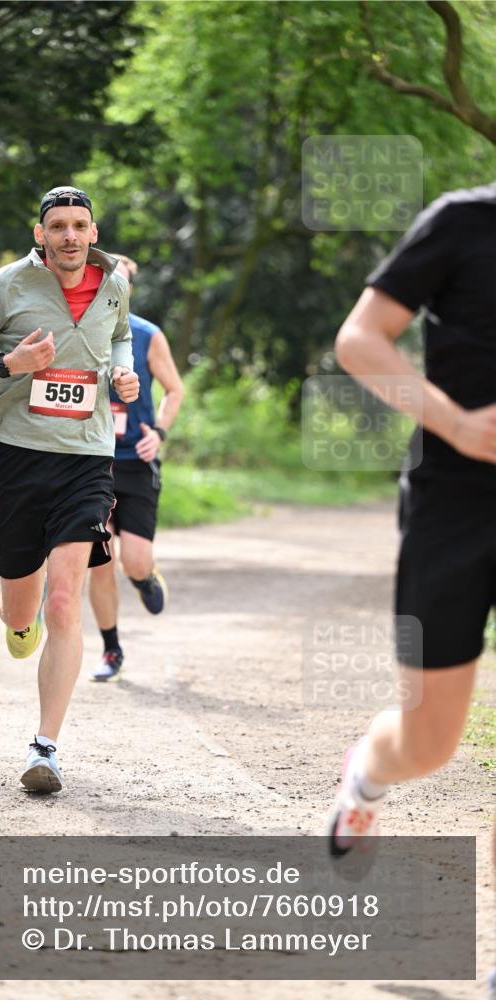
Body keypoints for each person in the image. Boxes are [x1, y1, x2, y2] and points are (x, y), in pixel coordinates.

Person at [0, 186, 139, 793]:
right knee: (23, 611)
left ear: (93, 232)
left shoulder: (114, 284)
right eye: (58, 226)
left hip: (88, 456)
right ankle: (15, 619)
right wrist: (7, 366)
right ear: (41, 234)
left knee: (64, 600)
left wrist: (123, 371)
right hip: (18, 456)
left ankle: (45, 749)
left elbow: (121, 334)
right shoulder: (8, 285)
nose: (69, 236)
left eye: (79, 225)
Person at [327, 183, 496, 869]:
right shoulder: (463, 221)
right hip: (453, 504)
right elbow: (359, 340)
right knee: (428, 744)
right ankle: (367, 775)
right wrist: (456, 424)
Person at [87, 255, 184, 682]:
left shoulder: (148, 335)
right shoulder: (79, 331)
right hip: (92, 463)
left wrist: (159, 433)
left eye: (121, 283)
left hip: (136, 462)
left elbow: (175, 390)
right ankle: (111, 649)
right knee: (100, 558)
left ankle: (144, 578)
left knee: (135, 562)